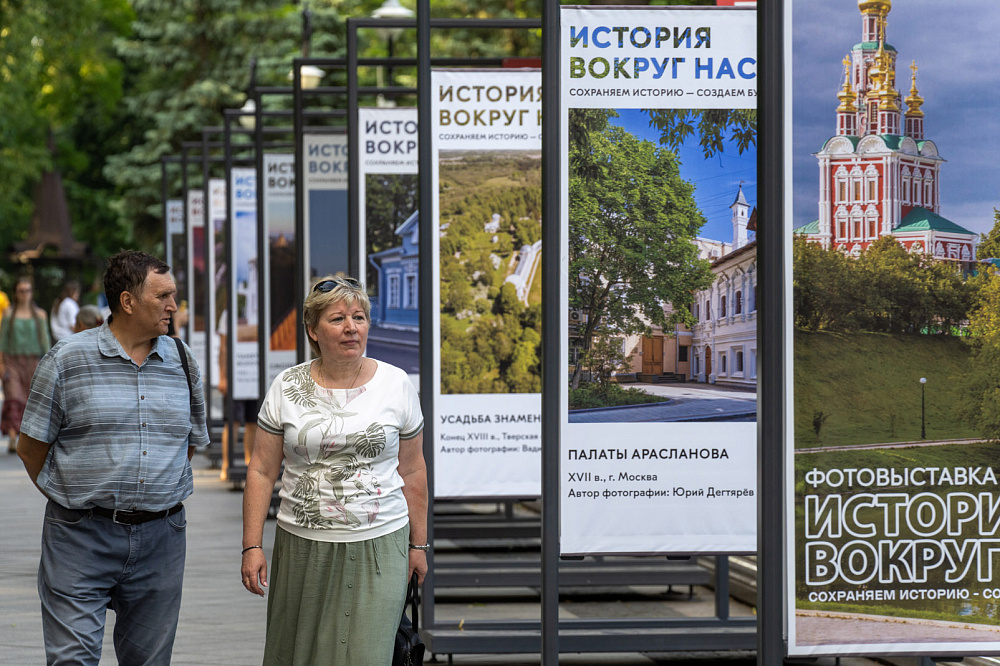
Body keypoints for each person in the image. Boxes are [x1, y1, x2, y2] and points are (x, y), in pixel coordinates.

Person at [15, 250, 210, 665]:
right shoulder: (66, 360)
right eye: (163, 297)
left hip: (162, 538)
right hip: (79, 537)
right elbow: (31, 448)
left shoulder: (182, 361)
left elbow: (187, 445)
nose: (173, 306)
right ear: (127, 302)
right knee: (72, 659)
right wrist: (77, 494)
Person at [241, 275, 428, 666]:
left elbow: (412, 472)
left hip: (380, 543)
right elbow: (261, 470)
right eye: (338, 319)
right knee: (301, 655)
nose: (351, 328)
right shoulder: (287, 386)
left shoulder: (396, 385)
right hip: (302, 545)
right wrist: (252, 545)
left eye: (359, 317)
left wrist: (418, 546)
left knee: (368, 654)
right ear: (312, 329)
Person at [1, 276, 50, 453]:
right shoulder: (8, 314)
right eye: (21, 291)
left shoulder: (40, 315)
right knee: (13, 398)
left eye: (27, 290)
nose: (25, 294)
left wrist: (49, 364)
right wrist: (1, 365)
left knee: (30, 401)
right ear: (15, 293)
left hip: (33, 362)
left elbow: (45, 343)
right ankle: (13, 438)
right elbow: (3, 341)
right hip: (12, 361)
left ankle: (27, 439)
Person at [217, 308, 258, 477]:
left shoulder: (260, 309)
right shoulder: (229, 313)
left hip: (255, 375)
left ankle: (251, 464)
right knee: (232, 422)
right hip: (237, 375)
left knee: (253, 422)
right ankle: (226, 464)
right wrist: (223, 377)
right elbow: (223, 347)